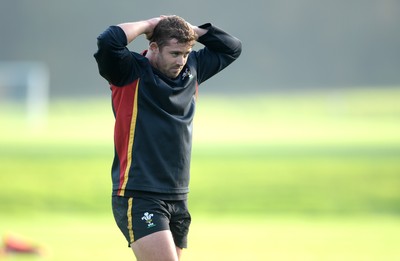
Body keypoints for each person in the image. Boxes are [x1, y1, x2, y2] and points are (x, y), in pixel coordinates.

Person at [94, 15, 241, 260]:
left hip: (178, 195)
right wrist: (149, 25)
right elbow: (109, 40)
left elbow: (232, 47)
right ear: (153, 47)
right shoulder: (128, 71)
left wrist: (189, 29)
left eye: (186, 53)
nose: (181, 61)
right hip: (139, 192)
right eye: (175, 54)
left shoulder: (193, 68)